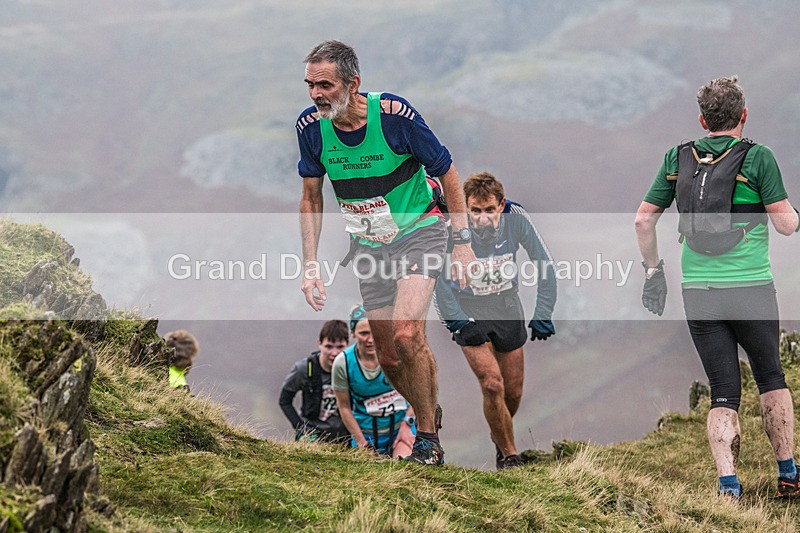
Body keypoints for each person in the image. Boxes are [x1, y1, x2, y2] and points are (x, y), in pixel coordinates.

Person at [296, 40, 477, 465]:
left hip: (421, 230)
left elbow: (447, 171)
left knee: (406, 332)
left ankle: (428, 441)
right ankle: (427, 404)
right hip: (370, 245)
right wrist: (310, 265)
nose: (316, 94)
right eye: (310, 85)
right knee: (391, 356)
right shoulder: (311, 127)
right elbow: (311, 197)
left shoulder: (395, 117)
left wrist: (463, 241)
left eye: (325, 85)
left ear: (352, 83)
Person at [635, 76, 800, 499]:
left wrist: (654, 272)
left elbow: (643, 220)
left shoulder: (677, 158)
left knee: (723, 390)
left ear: (702, 119)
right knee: (771, 379)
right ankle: (788, 475)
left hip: (699, 291)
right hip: (752, 289)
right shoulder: (758, 157)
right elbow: (785, 226)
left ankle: (729, 486)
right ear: (743, 115)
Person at [434, 171, 557, 469]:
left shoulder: (516, 216)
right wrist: (458, 322)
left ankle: (498, 434)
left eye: (489, 210)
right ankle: (510, 456)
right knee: (492, 384)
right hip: (469, 309)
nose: (482, 217)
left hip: (506, 306)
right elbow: (436, 279)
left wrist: (543, 312)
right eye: (474, 211)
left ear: (501, 206)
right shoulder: (450, 224)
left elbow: (545, 263)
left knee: (512, 392)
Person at [332, 305, 416, 458]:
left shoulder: (398, 353)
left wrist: (407, 424)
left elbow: (421, 392)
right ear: (353, 334)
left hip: (402, 428)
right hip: (366, 435)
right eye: (363, 333)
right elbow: (344, 407)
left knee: (406, 467)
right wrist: (362, 443)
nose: (370, 340)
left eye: (373, 332)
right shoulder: (342, 363)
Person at [278, 319, 350, 443]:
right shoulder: (305, 369)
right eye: (328, 346)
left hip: (346, 437)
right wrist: (301, 429)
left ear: (348, 344)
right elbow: (284, 401)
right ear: (319, 343)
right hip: (312, 436)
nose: (334, 353)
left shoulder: (352, 367)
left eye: (340, 347)